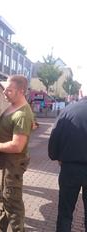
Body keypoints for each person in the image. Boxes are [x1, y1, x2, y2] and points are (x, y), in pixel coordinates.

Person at [0, 75, 33, 232]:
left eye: (9, 90)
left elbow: (17, 146)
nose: (4, 92)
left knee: (13, 206)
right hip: (3, 164)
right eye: (5, 88)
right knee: (1, 199)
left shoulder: (23, 114)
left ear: (21, 91)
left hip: (12, 167)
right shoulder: (11, 106)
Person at [48, 86, 87, 232]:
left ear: (81, 93)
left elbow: (55, 136)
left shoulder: (68, 110)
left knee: (65, 212)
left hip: (70, 168)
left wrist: (55, 155)